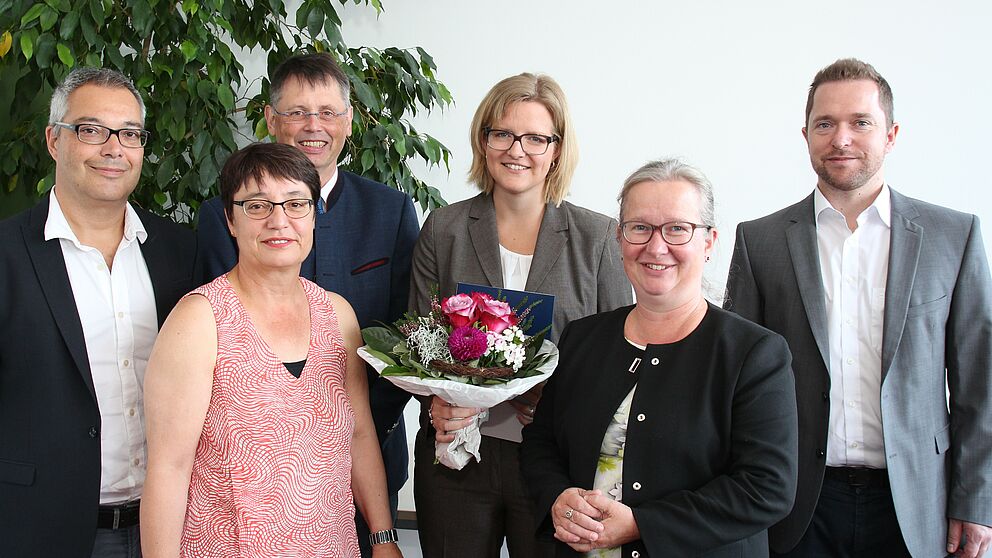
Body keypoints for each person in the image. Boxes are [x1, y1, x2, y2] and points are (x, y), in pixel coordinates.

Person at [724, 58, 992, 558]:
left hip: (917, 501)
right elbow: (736, 384)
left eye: (860, 123)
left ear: (891, 135)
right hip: (796, 502)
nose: (840, 139)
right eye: (825, 124)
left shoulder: (953, 237)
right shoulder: (758, 241)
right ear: (805, 135)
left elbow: (981, 382)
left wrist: (978, 500)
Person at [194, 52, 418, 554]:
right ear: (271, 120)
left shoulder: (391, 210)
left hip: (368, 453)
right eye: (296, 112)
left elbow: (409, 335)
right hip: (247, 479)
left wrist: (352, 428)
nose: (313, 126)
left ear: (349, 121)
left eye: (328, 112)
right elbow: (214, 341)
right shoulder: (222, 215)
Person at [520, 159, 798, 557]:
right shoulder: (583, 338)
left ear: (708, 242)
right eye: (640, 228)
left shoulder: (754, 354)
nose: (655, 246)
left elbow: (766, 488)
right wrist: (556, 496)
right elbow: (540, 442)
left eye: (677, 229)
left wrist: (640, 525)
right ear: (619, 238)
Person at [409, 72, 632, 557]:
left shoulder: (597, 239)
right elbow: (415, 343)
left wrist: (557, 402)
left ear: (557, 149)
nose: (517, 149)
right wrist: (438, 401)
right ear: (483, 140)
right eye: (503, 134)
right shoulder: (444, 228)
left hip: (555, 464)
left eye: (535, 137)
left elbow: (620, 359)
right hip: (456, 458)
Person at [141, 142, 401, 557]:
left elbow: (359, 433)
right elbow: (168, 470)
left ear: (314, 216)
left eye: (296, 204)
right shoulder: (199, 321)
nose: (279, 221)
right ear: (230, 219)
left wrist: (383, 536)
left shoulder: (338, 315)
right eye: (257, 206)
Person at [0, 67, 195, 557]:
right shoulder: (6, 254)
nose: (114, 149)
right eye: (91, 130)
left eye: (130, 134)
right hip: (40, 529)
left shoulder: (178, 251)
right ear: (53, 139)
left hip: (169, 525)